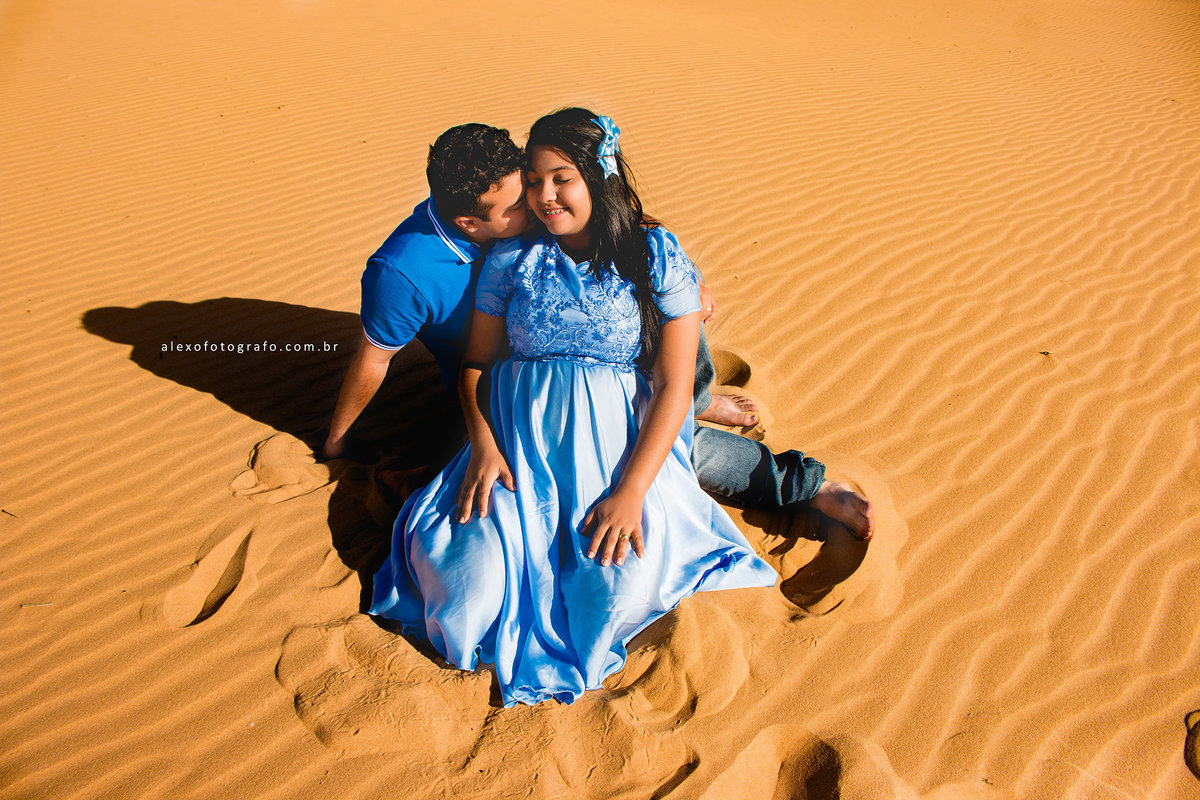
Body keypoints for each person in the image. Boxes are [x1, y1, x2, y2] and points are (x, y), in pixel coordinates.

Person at [369, 108, 784, 706]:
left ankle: (800, 484)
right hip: (517, 448)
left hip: (617, 454)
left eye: (561, 177)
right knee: (469, 594)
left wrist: (632, 492)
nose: (543, 195)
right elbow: (476, 364)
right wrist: (482, 446)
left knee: (611, 591)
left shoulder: (654, 254)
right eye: (534, 180)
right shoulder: (512, 259)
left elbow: (672, 384)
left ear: (599, 175)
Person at [322, 122, 874, 540]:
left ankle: (750, 444)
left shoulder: (524, 205)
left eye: (539, 183)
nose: (540, 201)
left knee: (674, 437)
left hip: (613, 377)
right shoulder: (409, 272)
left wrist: (686, 281)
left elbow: (611, 216)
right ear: (472, 223)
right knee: (483, 503)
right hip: (509, 398)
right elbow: (380, 358)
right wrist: (339, 440)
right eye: (523, 198)